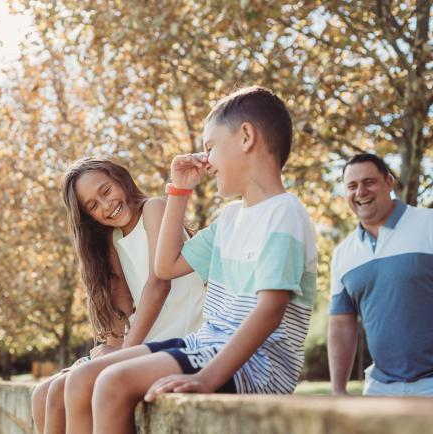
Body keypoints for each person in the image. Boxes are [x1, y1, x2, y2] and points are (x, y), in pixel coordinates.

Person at [63, 86, 318, 434]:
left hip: (255, 365)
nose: (207, 161)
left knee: (112, 383)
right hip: (204, 345)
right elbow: (166, 267)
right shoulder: (229, 219)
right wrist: (179, 189)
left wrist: (208, 377)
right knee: (83, 379)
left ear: (246, 137)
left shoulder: (284, 214)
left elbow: (270, 310)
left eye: (210, 147)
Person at [31, 158, 205, 434]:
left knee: (76, 385)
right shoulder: (113, 238)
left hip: (180, 338)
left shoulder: (154, 208)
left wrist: (122, 354)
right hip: (143, 342)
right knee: (45, 394)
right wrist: (105, 351)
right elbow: (122, 308)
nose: (106, 206)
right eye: (93, 206)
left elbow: (159, 285)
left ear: (120, 179)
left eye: (106, 191)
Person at [328, 153, 433, 396]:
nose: (361, 191)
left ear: (388, 183)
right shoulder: (343, 254)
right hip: (379, 389)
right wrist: (338, 390)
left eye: (369, 182)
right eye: (352, 186)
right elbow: (341, 323)